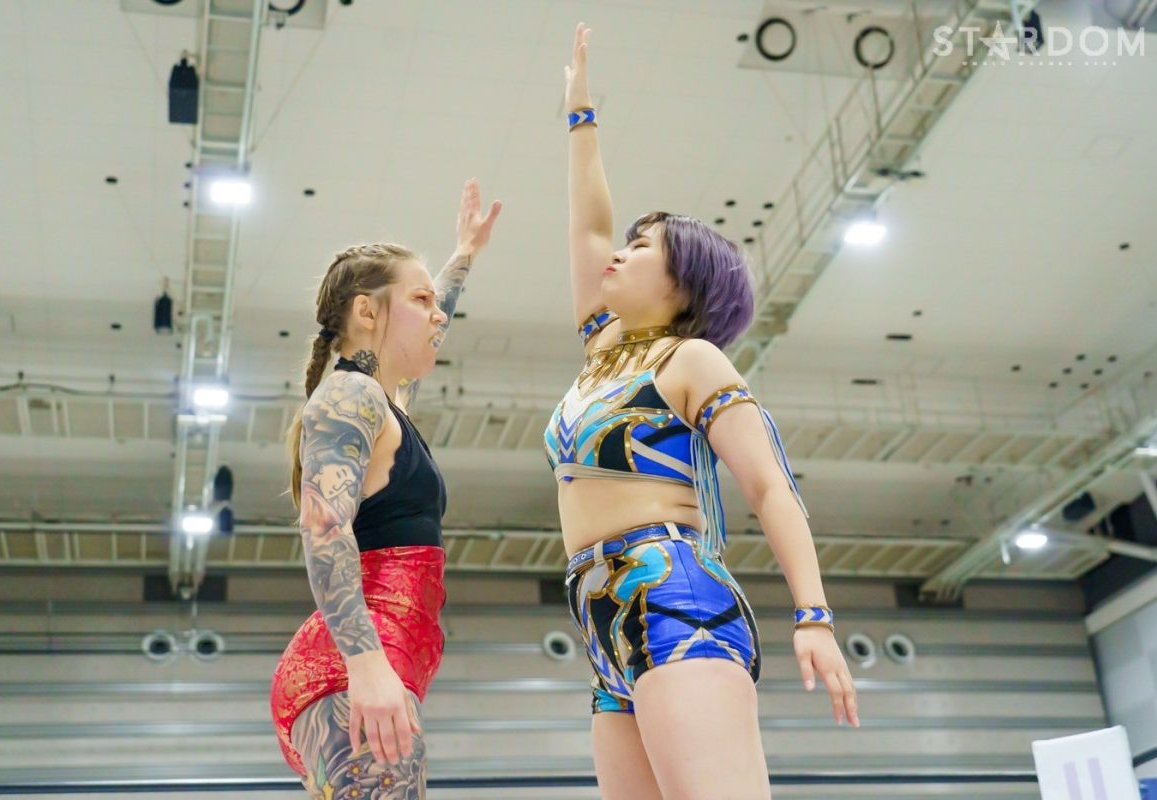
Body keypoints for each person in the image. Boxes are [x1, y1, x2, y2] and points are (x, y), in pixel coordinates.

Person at [544, 24, 859, 800]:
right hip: (600, 617)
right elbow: (588, 226)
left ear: (683, 285)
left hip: (675, 597)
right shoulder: (603, 351)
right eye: (628, 241)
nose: (620, 251)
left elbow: (770, 486)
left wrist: (814, 615)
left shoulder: (691, 361)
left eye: (643, 246)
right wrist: (580, 113)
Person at [270, 179, 501, 799]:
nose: (438, 314)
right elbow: (324, 528)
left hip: (371, 662)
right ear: (366, 313)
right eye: (421, 300)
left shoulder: (381, 402)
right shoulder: (350, 396)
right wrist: (367, 666)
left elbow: (434, 323)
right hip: (353, 667)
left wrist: (463, 256)